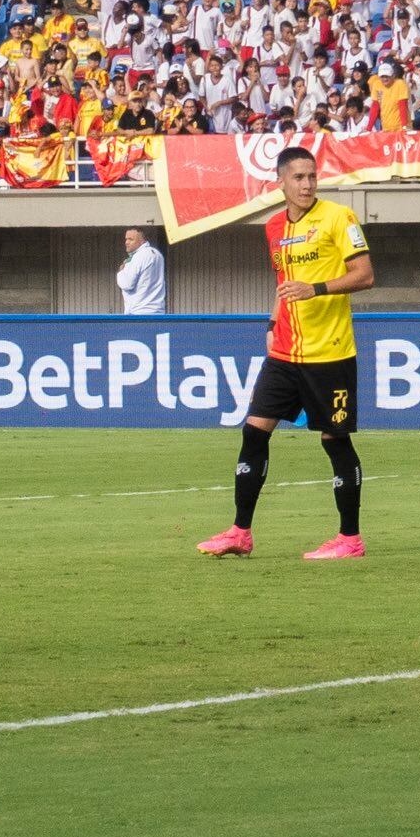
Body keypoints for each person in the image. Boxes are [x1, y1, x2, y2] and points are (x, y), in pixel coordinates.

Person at [196, 146, 374, 560]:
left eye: (312, 176)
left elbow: (365, 275)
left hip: (329, 354)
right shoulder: (274, 226)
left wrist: (316, 289)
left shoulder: (339, 217)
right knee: (253, 430)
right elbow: (284, 281)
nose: (308, 184)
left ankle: (350, 539)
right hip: (286, 353)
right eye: (299, 177)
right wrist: (273, 324)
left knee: (335, 440)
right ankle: (240, 532)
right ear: (280, 182)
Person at [115, 226, 166, 315]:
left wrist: (121, 272)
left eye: (131, 239)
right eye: (126, 239)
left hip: (139, 312)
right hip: (158, 311)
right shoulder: (158, 255)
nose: (126, 242)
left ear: (142, 241)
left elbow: (127, 284)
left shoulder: (139, 256)